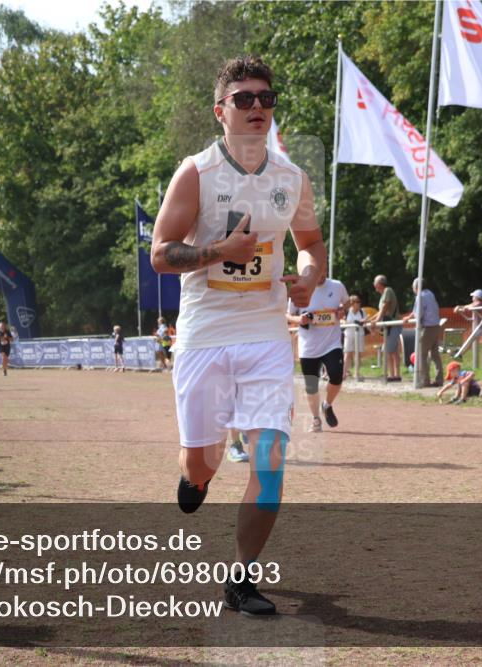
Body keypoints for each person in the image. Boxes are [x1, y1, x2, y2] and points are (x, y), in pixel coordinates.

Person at [150, 55, 325, 616]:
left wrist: (308, 278)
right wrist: (218, 253)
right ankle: (197, 477)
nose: (257, 108)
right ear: (220, 110)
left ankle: (242, 578)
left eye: (265, 99)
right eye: (244, 99)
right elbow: (159, 254)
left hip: (267, 335)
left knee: (270, 463)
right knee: (200, 462)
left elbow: (312, 246)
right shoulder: (196, 173)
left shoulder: (292, 179)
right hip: (205, 336)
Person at [286, 268, 348, 432]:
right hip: (309, 346)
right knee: (311, 385)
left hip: (331, 343)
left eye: (323, 271)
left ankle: (327, 405)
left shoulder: (337, 286)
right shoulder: (300, 289)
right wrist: (299, 319)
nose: (321, 275)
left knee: (336, 374)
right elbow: (288, 315)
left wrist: (342, 310)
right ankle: (315, 419)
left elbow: (346, 303)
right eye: (317, 273)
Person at [405, 277, 443, 387]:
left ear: (416, 287)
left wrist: (413, 318)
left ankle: (425, 380)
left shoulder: (419, 297)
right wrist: (409, 316)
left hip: (427, 328)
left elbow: (419, 313)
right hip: (436, 326)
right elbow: (416, 311)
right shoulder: (430, 294)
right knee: (435, 355)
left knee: (421, 355)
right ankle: (439, 379)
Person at [367, 275, 402, 381]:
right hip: (390, 325)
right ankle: (395, 375)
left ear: (379, 283)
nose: (374, 285)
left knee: (388, 350)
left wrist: (376, 321)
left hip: (392, 325)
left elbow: (384, 307)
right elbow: (380, 311)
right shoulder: (384, 293)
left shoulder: (387, 291)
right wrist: (369, 320)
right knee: (393, 351)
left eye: (375, 282)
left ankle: (392, 375)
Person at [343, 295, 368, 381]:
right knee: (347, 354)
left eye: (359, 301)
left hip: (359, 334)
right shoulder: (347, 312)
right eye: (357, 302)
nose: (359, 303)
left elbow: (365, 321)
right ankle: (344, 373)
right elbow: (342, 321)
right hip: (349, 335)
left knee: (358, 354)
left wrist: (364, 322)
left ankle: (356, 373)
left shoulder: (362, 312)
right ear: (352, 303)